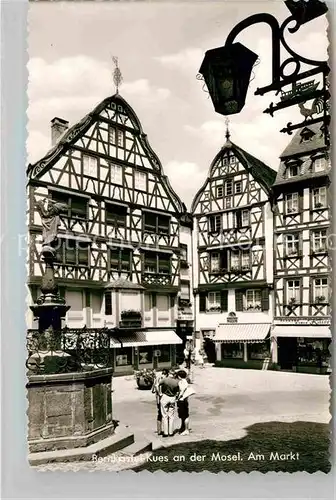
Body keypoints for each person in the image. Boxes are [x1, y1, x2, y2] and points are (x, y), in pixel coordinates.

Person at [158, 370, 179, 437]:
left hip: (165, 397)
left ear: (169, 373)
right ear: (174, 374)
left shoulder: (165, 380)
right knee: (171, 415)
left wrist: (160, 393)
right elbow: (178, 391)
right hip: (172, 398)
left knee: (164, 415)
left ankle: (165, 432)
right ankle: (171, 432)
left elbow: (157, 385)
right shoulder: (176, 382)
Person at [176, 369, 195, 436]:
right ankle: (183, 427)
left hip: (182, 400)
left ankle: (186, 429)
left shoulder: (182, 382)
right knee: (183, 415)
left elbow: (182, 390)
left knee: (185, 415)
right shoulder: (184, 381)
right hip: (184, 400)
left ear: (179, 376)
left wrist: (178, 397)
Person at [151, 369, 168, 435]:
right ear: (166, 374)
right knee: (165, 414)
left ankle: (159, 430)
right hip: (163, 397)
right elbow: (156, 386)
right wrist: (160, 393)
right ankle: (166, 430)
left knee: (159, 414)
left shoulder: (157, 378)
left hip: (158, 398)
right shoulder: (165, 379)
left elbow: (153, 389)